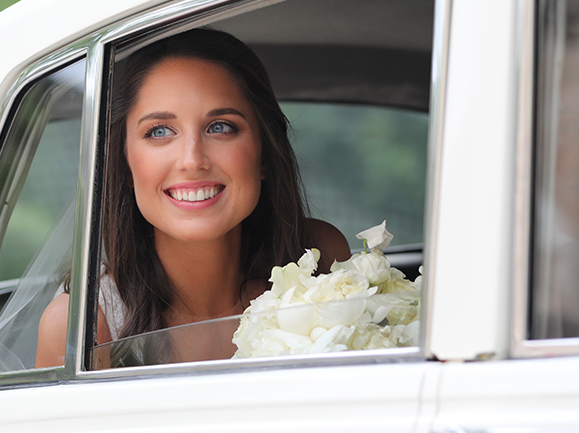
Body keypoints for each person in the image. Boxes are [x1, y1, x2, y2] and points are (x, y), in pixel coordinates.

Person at [36, 28, 350, 367]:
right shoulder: (82, 326)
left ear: (264, 155)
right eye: (159, 131)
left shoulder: (320, 257)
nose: (192, 159)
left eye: (220, 127)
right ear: (124, 164)